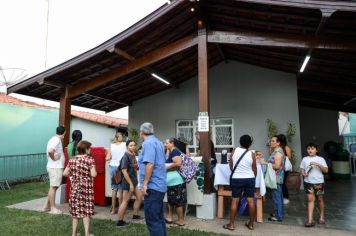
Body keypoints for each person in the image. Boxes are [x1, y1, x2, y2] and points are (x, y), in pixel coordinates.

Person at [138, 122, 167, 236]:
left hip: (152, 186)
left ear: (141, 133)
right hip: (160, 185)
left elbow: (150, 164)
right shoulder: (159, 142)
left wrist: (144, 184)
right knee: (159, 218)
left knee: (152, 220)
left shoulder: (148, 143)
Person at [63, 140, 97, 236]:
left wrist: (74, 174)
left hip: (75, 188)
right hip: (86, 189)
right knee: (86, 211)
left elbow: (65, 173)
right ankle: (87, 233)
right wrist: (87, 173)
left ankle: (73, 234)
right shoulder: (90, 160)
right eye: (89, 148)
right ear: (85, 149)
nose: (90, 149)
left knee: (75, 211)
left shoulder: (72, 159)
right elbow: (94, 174)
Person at [223, 135, 256, 231]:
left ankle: (231, 224)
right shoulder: (252, 153)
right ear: (250, 143)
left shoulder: (234, 151)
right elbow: (254, 168)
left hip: (236, 178)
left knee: (235, 201)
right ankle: (251, 224)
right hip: (250, 178)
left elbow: (230, 164)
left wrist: (235, 172)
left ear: (240, 142)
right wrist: (253, 177)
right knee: (250, 201)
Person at [300, 143, 328, 227]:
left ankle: (322, 217)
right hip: (308, 182)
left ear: (316, 150)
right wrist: (303, 173)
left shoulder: (321, 159)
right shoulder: (304, 159)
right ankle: (310, 220)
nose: (310, 150)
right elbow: (301, 169)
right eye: (308, 148)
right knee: (310, 199)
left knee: (319, 199)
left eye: (312, 148)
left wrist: (317, 164)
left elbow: (326, 170)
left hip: (319, 183)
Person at [117, 140, 142, 227]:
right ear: (127, 146)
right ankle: (120, 221)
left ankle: (135, 215)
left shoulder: (133, 155)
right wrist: (130, 184)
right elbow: (124, 171)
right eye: (131, 145)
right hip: (128, 182)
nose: (133, 147)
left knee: (139, 197)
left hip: (134, 181)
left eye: (134, 145)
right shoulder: (125, 156)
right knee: (125, 201)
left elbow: (135, 168)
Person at [43, 125, 66, 214]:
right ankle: (53, 208)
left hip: (54, 167)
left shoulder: (54, 139)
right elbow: (50, 151)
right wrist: (54, 158)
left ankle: (46, 206)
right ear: (64, 133)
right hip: (55, 168)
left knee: (53, 187)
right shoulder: (56, 140)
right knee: (53, 188)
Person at [164, 138, 187, 227]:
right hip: (172, 181)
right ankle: (170, 218)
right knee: (172, 201)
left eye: (166, 143)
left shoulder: (175, 151)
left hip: (176, 181)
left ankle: (181, 221)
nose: (165, 144)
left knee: (178, 202)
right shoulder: (171, 151)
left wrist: (166, 168)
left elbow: (178, 163)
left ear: (172, 143)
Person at [105, 131, 126, 214]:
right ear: (118, 137)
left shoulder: (111, 146)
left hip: (112, 167)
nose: (122, 137)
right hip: (120, 167)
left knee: (114, 189)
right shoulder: (124, 145)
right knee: (120, 189)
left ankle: (113, 209)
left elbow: (108, 157)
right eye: (121, 136)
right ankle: (120, 209)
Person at [267, 135, 285, 222]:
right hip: (277, 177)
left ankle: (278, 216)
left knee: (277, 197)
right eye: (271, 141)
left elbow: (277, 166)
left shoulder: (278, 153)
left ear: (278, 143)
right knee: (278, 196)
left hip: (276, 177)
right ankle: (279, 213)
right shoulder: (276, 151)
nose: (271, 142)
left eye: (273, 141)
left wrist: (265, 163)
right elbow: (271, 156)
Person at [277, 134, 293, 205]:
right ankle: (281, 197)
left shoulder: (286, 147)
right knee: (279, 183)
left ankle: (286, 197)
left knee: (282, 183)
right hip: (277, 167)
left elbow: (289, 157)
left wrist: (282, 156)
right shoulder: (277, 147)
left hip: (284, 168)